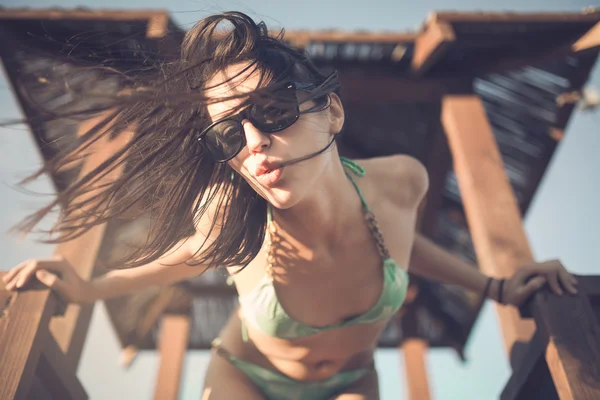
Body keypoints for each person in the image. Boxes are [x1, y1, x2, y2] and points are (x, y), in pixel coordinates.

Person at [2, 12, 578, 400]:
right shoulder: (231, 215)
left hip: (354, 380)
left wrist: (498, 287)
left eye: (272, 112)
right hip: (245, 377)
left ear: (331, 111)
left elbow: (403, 246)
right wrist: (82, 285)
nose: (252, 142)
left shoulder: (401, 183)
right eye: (228, 135)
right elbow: (172, 261)